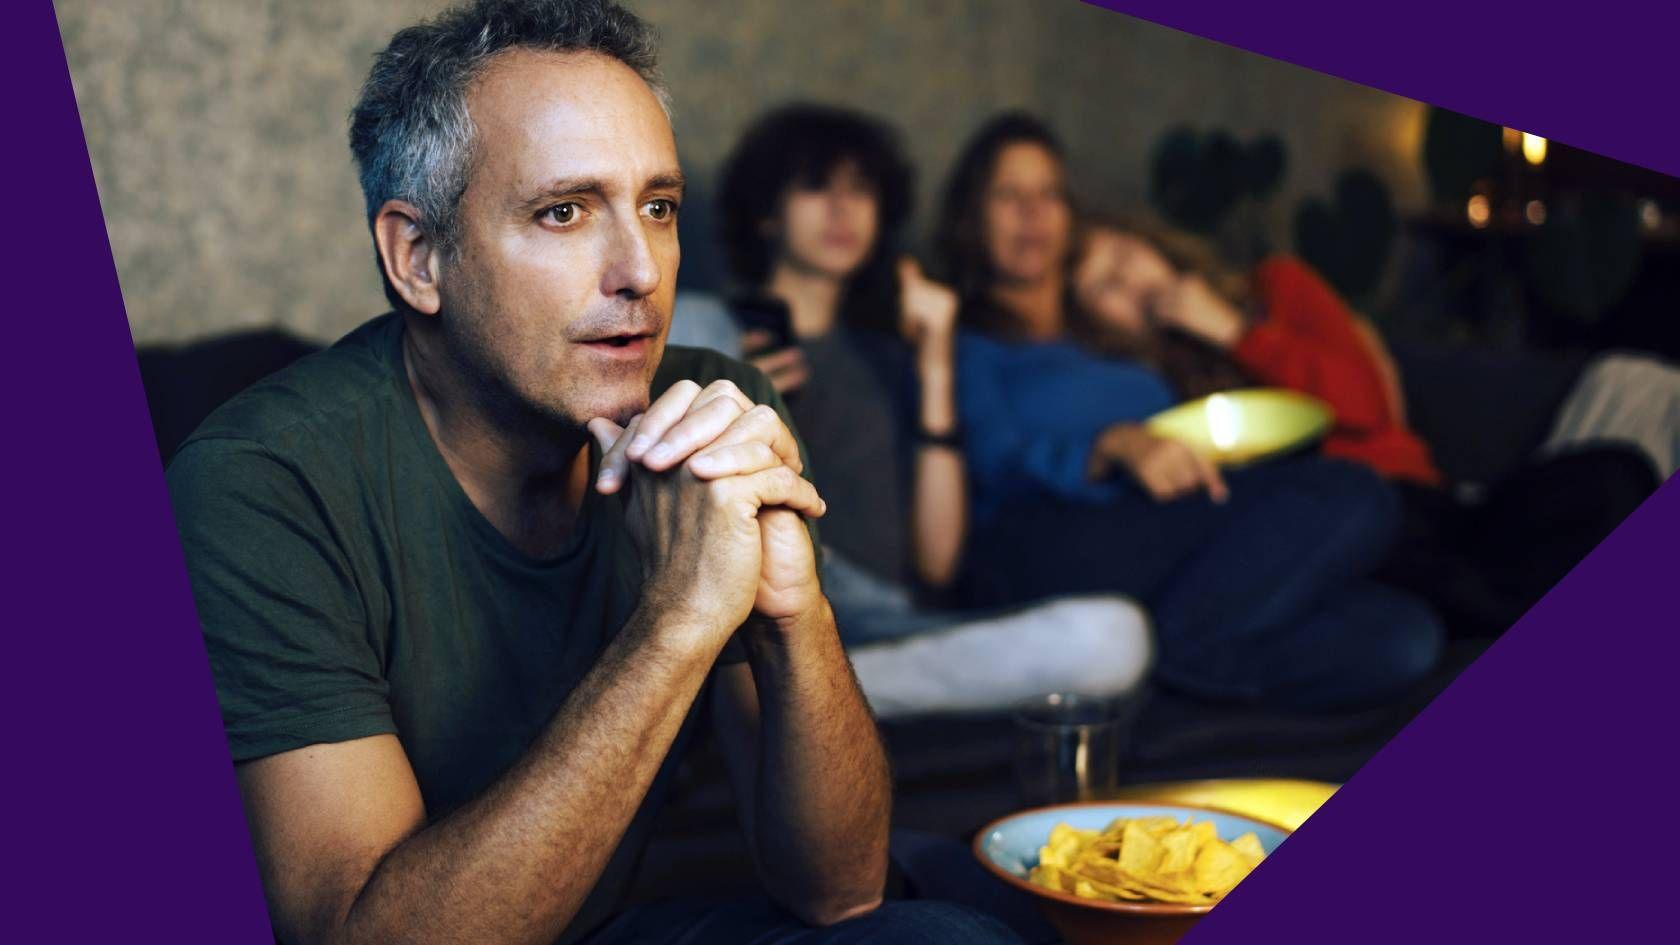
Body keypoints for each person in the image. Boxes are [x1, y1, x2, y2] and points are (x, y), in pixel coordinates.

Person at [166, 3, 1021, 944]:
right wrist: (677, 624)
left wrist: (795, 613)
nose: (641, 272)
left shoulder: (711, 408)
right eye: (564, 212)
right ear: (418, 258)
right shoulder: (261, 485)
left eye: (658, 207)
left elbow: (841, 893)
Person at [937, 112, 1445, 710]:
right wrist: (1110, 445)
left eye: (1048, 193)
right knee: (1356, 494)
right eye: (1008, 195)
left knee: (1404, 636)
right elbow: (992, 462)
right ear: (974, 219)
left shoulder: (1109, 340)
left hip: (1172, 533)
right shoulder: (972, 344)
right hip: (1052, 533)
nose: (1033, 213)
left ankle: (1178, 666)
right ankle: (1187, 647)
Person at [710, 103, 1150, 717]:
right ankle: (782, 684)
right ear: (766, 214)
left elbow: (938, 563)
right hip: (772, 598)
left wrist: (937, 360)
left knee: (1111, 636)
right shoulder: (715, 333)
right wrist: (739, 385)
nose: (843, 210)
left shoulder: (895, 358)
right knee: (697, 324)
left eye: (860, 191)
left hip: (886, 622)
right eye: (816, 187)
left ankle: (812, 692)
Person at [1071, 213, 1661, 635]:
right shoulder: (1151, 392)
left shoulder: (1275, 288)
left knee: (1618, 475)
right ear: (1100, 326)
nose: (1131, 284)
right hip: (1346, 541)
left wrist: (1233, 331)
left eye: (1124, 258)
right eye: (1106, 290)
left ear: (1150, 241)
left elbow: (1364, 407)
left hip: (1428, 502)